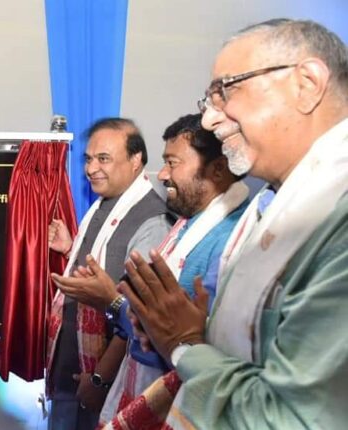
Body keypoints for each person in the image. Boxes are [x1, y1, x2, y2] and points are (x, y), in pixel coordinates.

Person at [120, 19, 348, 429]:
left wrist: (185, 346)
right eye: (209, 100)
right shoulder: (271, 200)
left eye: (226, 91)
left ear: (307, 84)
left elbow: (289, 418)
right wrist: (198, 328)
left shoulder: (337, 216)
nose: (209, 120)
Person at [97, 114, 249, 428]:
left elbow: (182, 340)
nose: (163, 174)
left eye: (172, 162)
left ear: (218, 169)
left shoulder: (231, 239)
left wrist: (112, 301)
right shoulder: (188, 222)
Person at [46, 118, 171, 430]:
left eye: (103, 158)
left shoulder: (153, 221)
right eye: (88, 159)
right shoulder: (104, 205)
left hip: (103, 382)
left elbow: (137, 316)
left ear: (135, 160)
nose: (91, 169)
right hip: (71, 373)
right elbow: (107, 267)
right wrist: (70, 249)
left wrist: (100, 379)